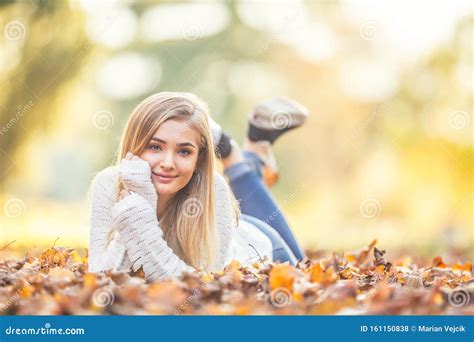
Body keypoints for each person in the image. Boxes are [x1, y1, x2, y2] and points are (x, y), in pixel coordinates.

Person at [88, 92, 308, 281]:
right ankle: (247, 150)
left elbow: (198, 290)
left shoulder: (215, 190)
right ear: (134, 146)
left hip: (258, 247)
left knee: (303, 274)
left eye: (184, 151)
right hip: (231, 222)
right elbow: (102, 278)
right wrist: (133, 216)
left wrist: (141, 224)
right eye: (155, 147)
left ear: (198, 159)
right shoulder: (109, 184)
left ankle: (236, 150)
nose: (167, 163)